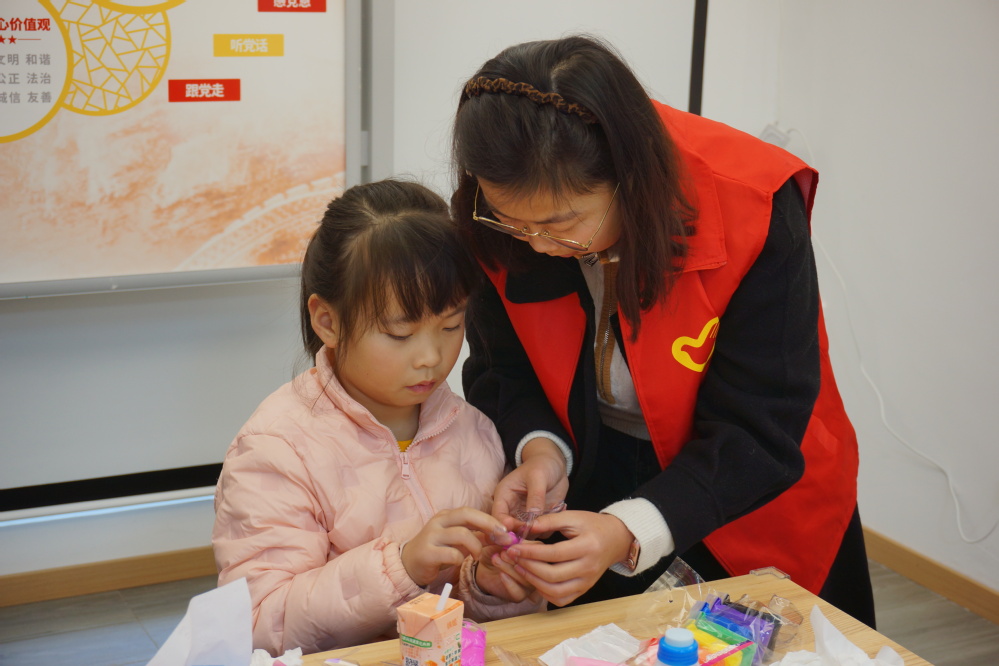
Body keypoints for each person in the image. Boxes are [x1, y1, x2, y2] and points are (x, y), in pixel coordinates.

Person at [450, 35, 876, 627]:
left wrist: (630, 530)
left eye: (561, 223)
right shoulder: (497, 212)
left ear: (629, 180)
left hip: (747, 482)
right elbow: (502, 367)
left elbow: (762, 424)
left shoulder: (752, 203)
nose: (538, 245)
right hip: (594, 467)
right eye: (513, 222)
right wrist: (541, 450)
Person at [212, 180, 543, 656]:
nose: (431, 356)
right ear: (328, 321)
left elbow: (488, 625)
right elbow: (260, 625)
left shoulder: (474, 429)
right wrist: (401, 567)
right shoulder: (276, 449)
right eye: (399, 334)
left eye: (451, 325)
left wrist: (490, 584)